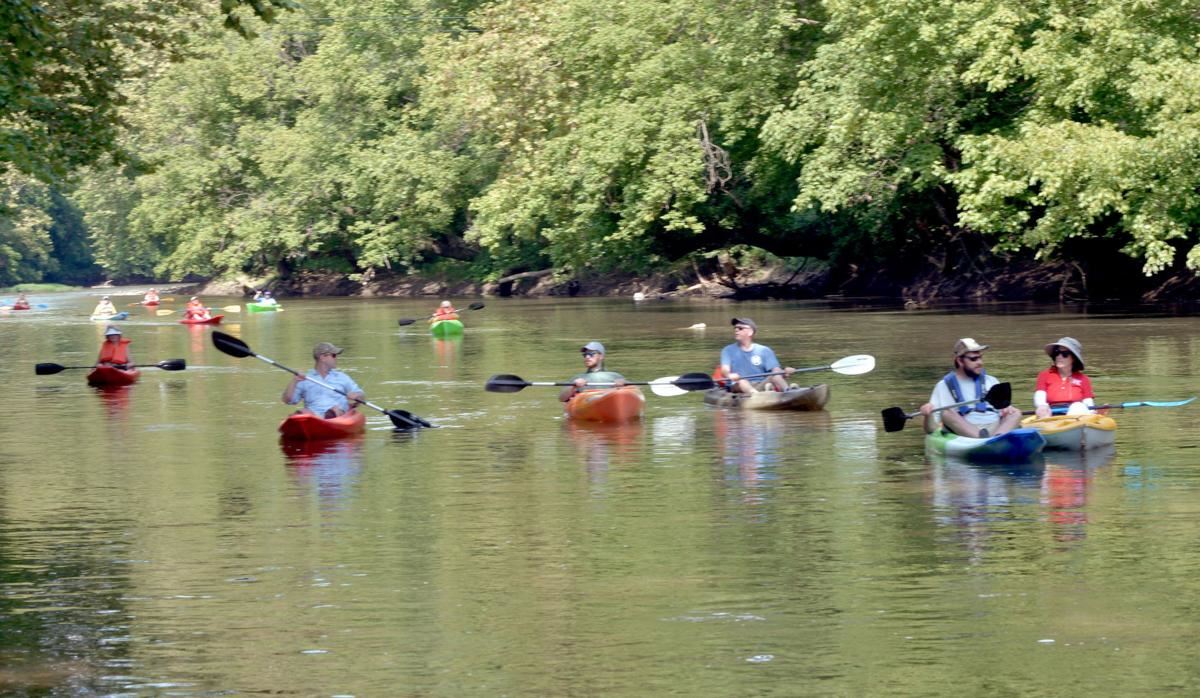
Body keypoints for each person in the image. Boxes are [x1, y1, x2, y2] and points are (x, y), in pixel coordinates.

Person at [919, 338, 1021, 438]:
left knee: (1015, 413)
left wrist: (1007, 409)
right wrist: (928, 416)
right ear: (960, 361)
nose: (980, 362)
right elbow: (931, 430)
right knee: (946, 413)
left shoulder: (992, 381)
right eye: (973, 359)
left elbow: (1004, 410)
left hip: (995, 429)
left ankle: (998, 438)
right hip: (966, 433)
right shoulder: (943, 386)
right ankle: (983, 440)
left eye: (980, 357)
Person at [282, 341, 364, 418]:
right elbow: (287, 400)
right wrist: (294, 380)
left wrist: (357, 396)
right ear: (323, 357)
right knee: (303, 412)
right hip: (314, 417)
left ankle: (330, 416)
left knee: (334, 410)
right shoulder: (305, 378)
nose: (336, 358)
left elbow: (361, 396)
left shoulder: (342, 377)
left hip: (337, 415)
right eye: (333, 355)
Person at [718, 317, 795, 393]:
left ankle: (788, 391)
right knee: (742, 381)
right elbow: (725, 370)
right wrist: (729, 375)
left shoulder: (764, 350)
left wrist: (783, 372)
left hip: (760, 384)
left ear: (750, 332)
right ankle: (757, 396)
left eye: (740, 328)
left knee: (775, 375)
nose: (736, 330)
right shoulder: (728, 350)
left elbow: (775, 370)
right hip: (738, 385)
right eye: (735, 328)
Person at [1034, 337, 1094, 418]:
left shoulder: (1084, 379)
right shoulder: (1044, 375)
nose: (1059, 356)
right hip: (1050, 415)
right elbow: (1040, 396)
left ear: (1073, 358)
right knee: (1042, 409)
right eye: (1057, 353)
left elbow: (1088, 403)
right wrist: (1042, 406)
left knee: (1078, 406)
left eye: (1064, 354)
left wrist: (1093, 412)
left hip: (1076, 415)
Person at [560, 341, 626, 401]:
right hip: (588, 404)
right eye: (585, 354)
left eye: (591, 353)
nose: (587, 357)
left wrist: (623, 386)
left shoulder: (615, 376)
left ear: (601, 356)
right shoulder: (578, 378)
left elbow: (634, 392)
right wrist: (573, 386)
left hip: (610, 400)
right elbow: (562, 398)